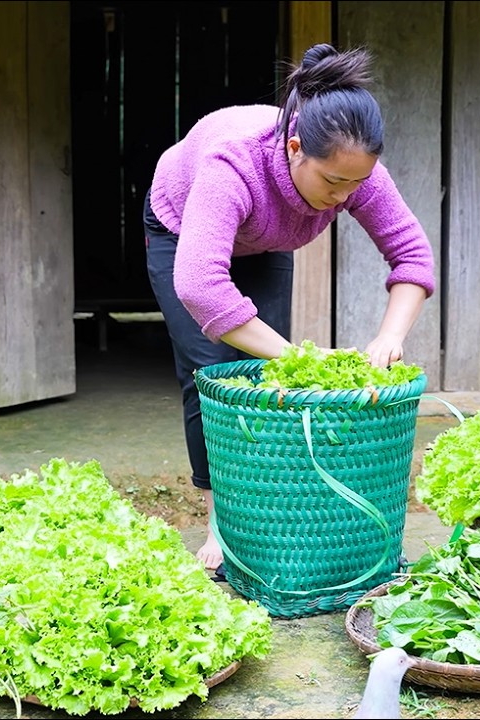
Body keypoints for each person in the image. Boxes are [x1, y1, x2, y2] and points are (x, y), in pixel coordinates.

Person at [143, 43, 437, 572]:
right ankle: (220, 520)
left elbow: (412, 254)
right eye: (332, 182)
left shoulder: (354, 173)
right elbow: (202, 286)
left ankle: (265, 509)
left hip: (264, 237)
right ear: (296, 147)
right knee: (211, 370)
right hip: (181, 227)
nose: (344, 194)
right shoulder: (233, 163)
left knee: (266, 381)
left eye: (357, 183)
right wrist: (307, 363)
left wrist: (390, 336)